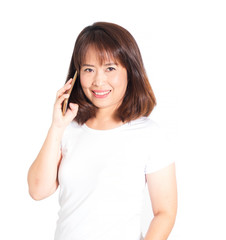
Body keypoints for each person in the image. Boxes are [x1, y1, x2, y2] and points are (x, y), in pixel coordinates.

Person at [27, 22, 177, 240]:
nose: (98, 81)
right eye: (89, 69)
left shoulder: (149, 134)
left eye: (110, 68)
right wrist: (57, 126)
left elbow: (165, 213)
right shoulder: (68, 129)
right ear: (77, 75)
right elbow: (38, 190)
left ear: (130, 71)